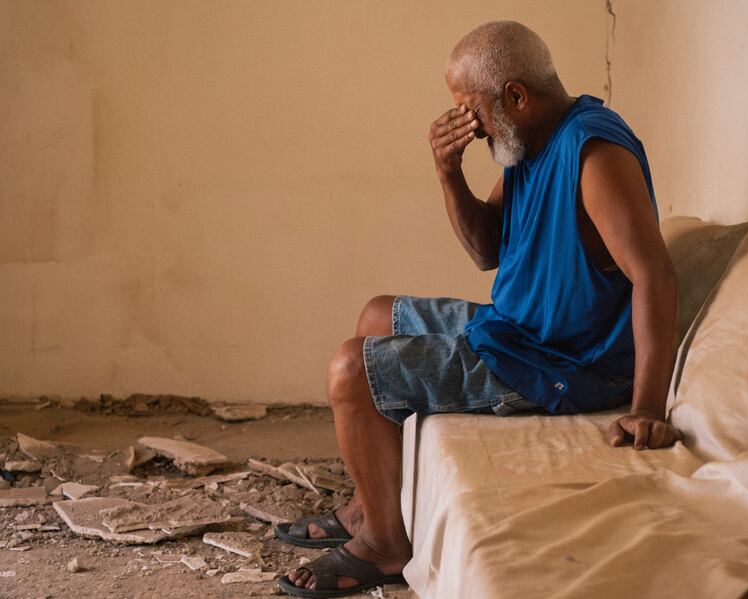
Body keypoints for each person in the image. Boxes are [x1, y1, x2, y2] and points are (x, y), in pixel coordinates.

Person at [276, 20, 683, 598]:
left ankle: (385, 547)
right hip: (517, 331)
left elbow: (654, 275)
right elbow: (484, 251)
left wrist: (647, 407)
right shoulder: (530, 147)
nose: (466, 126)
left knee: (351, 369)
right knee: (375, 314)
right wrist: (448, 173)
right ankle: (370, 510)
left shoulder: (593, 151)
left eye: (470, 110)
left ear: (515, 96)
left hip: (561, 366)